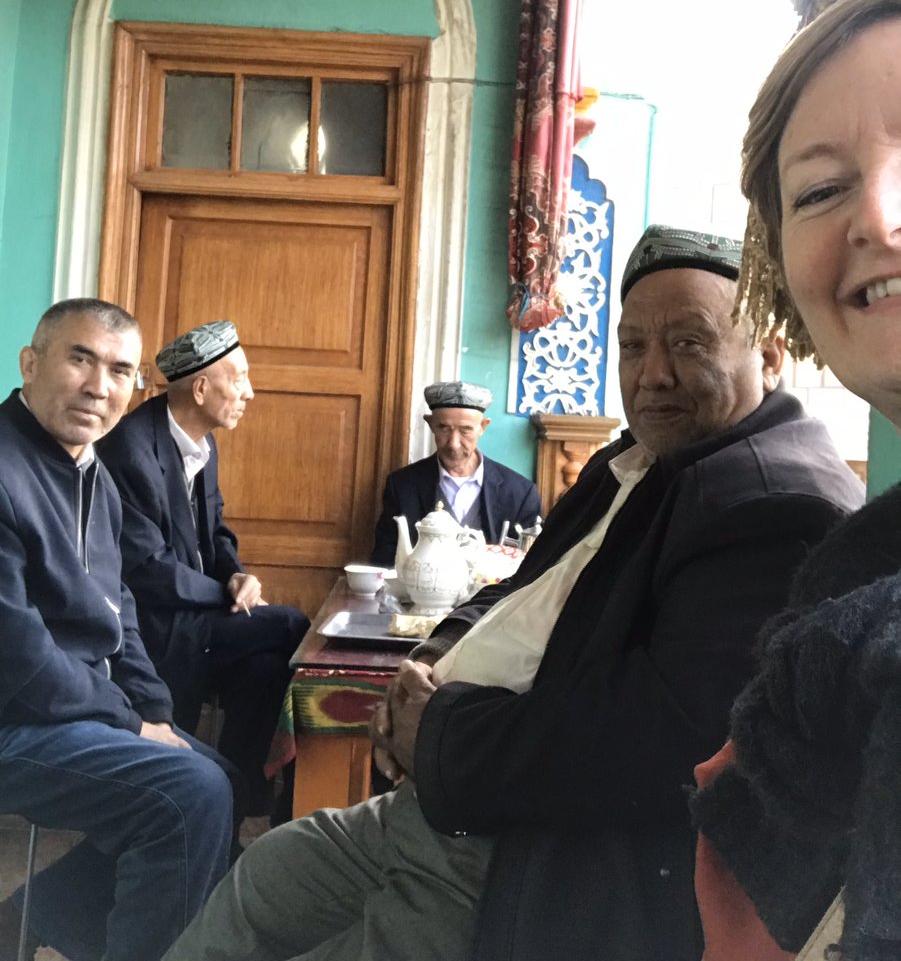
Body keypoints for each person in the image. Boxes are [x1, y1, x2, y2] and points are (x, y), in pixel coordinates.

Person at [162, 225, 864, 961]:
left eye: (688, 344)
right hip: (443, 804)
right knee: (266, 873)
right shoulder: (636, 461)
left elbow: (655, 733)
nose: (651, 374)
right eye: (632, 347)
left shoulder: (770, 504)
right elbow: (514, 587)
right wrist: (429, 661)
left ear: (771, 355)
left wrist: (438, 734)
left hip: (530, 854)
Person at [691, 0, 901, 961]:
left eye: (688, 341)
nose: (877, 216)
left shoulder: (770, 502)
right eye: (819, 191)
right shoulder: (847, 584)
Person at [0, 298, 234, 961]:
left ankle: (34, 916)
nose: (98, 386)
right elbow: (19, 657)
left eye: (119, 370)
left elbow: (117, 609)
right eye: (80, 358)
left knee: (222, 777)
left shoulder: (92, 471)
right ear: (31, 362)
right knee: (188, 794)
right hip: (12, 717)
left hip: (65, 710)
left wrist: (152, 705)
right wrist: (131, 724)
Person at [98, 319, 308, 818]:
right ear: (199, 387)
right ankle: (243, 793)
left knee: (264, 669)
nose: (249, 393)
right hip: (156, 625)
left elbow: (216, 531)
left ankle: (232, 805)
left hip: (199, 613)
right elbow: (147, 570)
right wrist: (226, 596)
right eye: (239, 380)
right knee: (293, 626)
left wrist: (236, 574)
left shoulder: (201, 441)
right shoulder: (132, 448)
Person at [369, 380, 541, 569]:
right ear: (431, 424)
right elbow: (384, 557)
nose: (454, 443)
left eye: (466, 430)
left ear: (483, 427)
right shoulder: (402, 485)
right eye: (444, 428)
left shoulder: (520, 493)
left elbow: (530, 566)